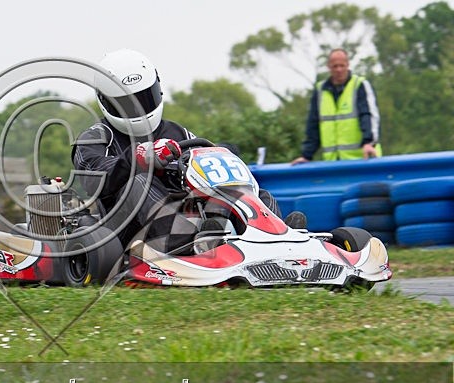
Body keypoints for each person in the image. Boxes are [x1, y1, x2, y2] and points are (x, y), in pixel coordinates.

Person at [72, 49, 304, 250]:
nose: (140, 108)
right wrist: (139, 157)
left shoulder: (177, 132)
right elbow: (95, 177)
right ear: (105, 100)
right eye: (126, 102)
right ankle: (192, 243)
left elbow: (204, 156)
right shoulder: (95, 138)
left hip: (188, 214)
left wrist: (223, 152)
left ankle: (277, 235)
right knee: (139, 183)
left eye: (144, 98)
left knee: (247, 192)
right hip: (125, 229)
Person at [292, 48, 382, 164]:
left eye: (342, 66)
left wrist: (369, 142)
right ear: (329, 67)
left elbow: (369, 116)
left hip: (363, 160)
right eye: (335, 66)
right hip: (333, 164)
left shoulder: (359, 85)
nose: (339, 70)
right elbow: (313, 125)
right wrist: (307, 155)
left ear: (348, 65)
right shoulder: (320, 91)